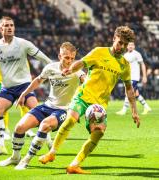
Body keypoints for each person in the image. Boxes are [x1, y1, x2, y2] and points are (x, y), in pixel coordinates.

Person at [39, 26, 140, 174]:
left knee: (99, 133)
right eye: (120, 42)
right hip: (83, 96)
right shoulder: (99, 52)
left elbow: (129, 89)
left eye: (125, 44)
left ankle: (74, 164)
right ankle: (52, 153)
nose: (122, 47)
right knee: (70, 120)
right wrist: (71, 70)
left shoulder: (125, 65)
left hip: (99, 105)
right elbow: (82, 63)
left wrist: (134, 111)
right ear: (114, 39)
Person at [0, 42, 85, 170]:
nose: (70, 61)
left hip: (65, 110)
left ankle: (26, 160)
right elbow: (38, 80)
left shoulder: (77, 71)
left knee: (45, 125)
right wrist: (23, 94)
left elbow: (85, 79)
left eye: (72, 58)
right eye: (67, 58)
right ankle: (15, 158)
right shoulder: (51, 68)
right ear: (60, 56)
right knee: (19, 127)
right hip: (47, 106)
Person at [0, 16, 52, 157]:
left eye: (11, 25)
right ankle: (0, 147)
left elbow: (42, 57)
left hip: (24, 86)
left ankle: (49, 141)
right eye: (6, 25)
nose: (9, 27)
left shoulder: (23, 43)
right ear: (1, 29)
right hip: (7, 88)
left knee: (37, 111)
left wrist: (55, 68)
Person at [0, 63, 36, 139]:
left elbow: (25, 65)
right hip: (1, 82)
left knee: (25, 105)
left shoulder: (20, 51)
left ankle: (27, 128)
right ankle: (4, 130)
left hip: (20, 81)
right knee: (2, 107)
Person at [116, 42, 151, 115]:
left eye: (132, 45)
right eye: (129, 45)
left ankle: (124, 110)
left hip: (134, 77)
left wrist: (144, 76)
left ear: (134, 46)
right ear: (127, 46)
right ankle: (147, 107)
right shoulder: (125, 55)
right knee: (136, 94)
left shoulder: (137, 54)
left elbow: (142, 64)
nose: (131, 46)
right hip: (128, 77)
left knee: (128, 92)